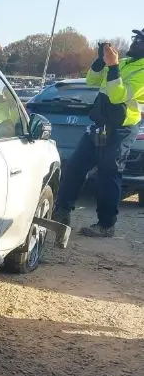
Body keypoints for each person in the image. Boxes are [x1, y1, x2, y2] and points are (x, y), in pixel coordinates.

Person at [52, 30, 144, 237]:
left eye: (140, 40)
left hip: (121, 127)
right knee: (76, 165)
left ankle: (106, 224)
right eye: (135, 38)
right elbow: (93, 81)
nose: (135, 42)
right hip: (101, 123)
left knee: (108, 173)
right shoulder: (127, 62)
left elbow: (117, 94)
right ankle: (62, 212)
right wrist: (100, 62)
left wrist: (112, 66)